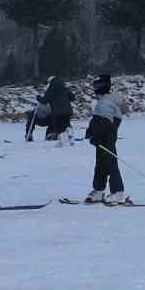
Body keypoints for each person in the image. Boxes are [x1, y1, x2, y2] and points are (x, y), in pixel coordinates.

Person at [83, 73, 127, 204]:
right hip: (102, 137)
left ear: (103, 86)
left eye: (97, 85)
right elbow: (97, 120)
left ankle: (117, 192)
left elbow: (105, 123)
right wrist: (90, 131)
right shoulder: (103, 101)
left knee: (110, 163)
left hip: (106, 137)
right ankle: (99, 190)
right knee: (101, 164)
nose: (95, 89)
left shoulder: (106, 102)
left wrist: (97, 136)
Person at [43, 75, 74, 142]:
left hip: (57, 111)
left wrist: (38, 98)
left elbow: (45, 100)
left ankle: (61, 140)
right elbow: (72, 98)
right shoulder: (64, 87)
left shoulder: (51, 88)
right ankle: (69, 134)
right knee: (66, 124)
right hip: (68, 110)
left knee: (58, 126)